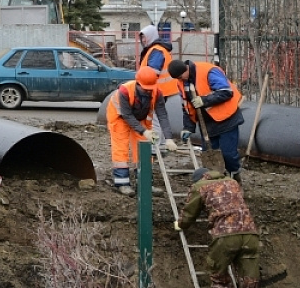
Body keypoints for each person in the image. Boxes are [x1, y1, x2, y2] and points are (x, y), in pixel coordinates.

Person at [175, 168, 260, 288]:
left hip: (226, 235)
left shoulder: (199, 186)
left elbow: (189, 213)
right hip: (250, 234)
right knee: (250, 280)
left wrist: (180, 224)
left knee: (218, 277)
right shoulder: (232, 182)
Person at [104, 66, 178, 196]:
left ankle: (145, 183)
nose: (148, 91)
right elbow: (127, 115)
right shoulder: (124, 91)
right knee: (121, 149)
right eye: (145, 89)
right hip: (119, 118)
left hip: (142, 119)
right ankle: (122, 183)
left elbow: (162, 115)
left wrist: (169, 138)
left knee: (145, 151)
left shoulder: (157, 92)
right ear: (138, 83)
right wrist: (144, 131)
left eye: (150, 89)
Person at [168, 59, 245, 183]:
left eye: (180, 76)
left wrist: (204, 100)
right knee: (208, 155)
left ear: (186, 69)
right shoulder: (182, 83)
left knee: (228, 154)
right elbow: (187, 107)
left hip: (227, 119)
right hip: (207, 124)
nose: (180, 80)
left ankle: (234, 176)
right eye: (177, 78)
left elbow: (226, 92)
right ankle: (214, 184)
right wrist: (188, 127)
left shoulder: (208, 71)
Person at [137, 24, 178, 97]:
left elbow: (151, 74)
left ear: (151, 36)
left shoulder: (157, 50)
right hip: (162, 91)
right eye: (142, 37)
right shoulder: (156, 49)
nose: (143, 40)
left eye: (145, 37)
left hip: (160, 92)